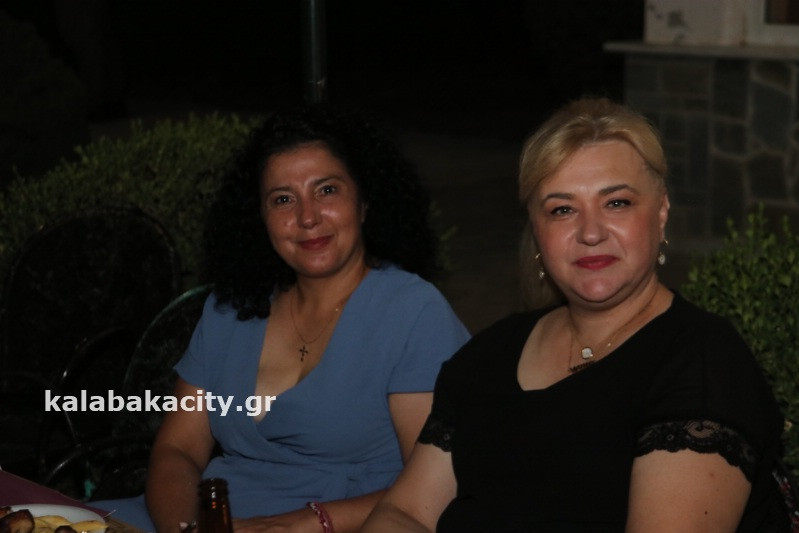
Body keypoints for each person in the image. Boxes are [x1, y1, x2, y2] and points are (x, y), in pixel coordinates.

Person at [361, 97, 786, 532]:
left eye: (616, 203)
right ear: (536, 230)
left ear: (661, 213)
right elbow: (404, 512)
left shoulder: (701, 361)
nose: (590, 232)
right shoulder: (489, 355)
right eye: (562, 209)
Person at [92, 104, 470, 532]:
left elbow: (438, 487)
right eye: (283, 199)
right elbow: (177, 450)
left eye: (327, 190)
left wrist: (302, 523)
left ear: (364, 202)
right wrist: (194, 527)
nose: (307, 217)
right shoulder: (232, 308)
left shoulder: (413, 313)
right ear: (260, 217)